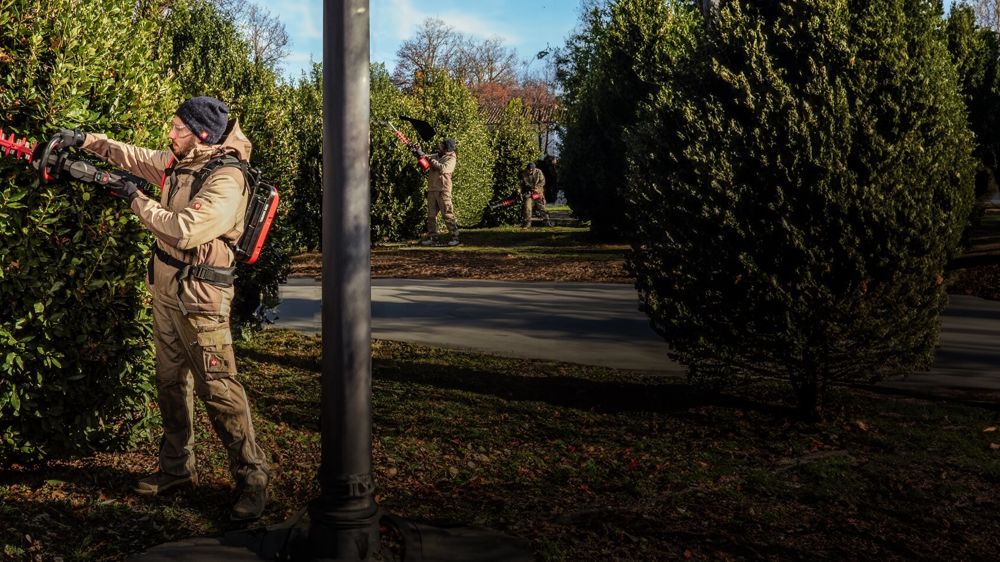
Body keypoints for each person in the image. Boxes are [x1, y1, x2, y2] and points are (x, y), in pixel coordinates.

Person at [60, 96, 271, 521]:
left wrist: (134, 197)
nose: (169, 135)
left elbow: (184, 231)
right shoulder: (182, 161)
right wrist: (86, 140)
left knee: (219, 388)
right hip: (167, 290)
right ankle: (177, 469)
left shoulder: (227, 178)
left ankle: (253, 479)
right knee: (171, 381)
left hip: (202, 300)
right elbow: (132, 155)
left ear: (202, 135)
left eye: (178, 128)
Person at [417, 138, 460, 246]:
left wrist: (431, 161)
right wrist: (418, 151)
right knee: (431, 216)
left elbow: (444, 169)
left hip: (443, 190)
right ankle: (433, 238)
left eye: (441, 145)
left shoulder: (451, 159)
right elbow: (425, 157)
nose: (439, 147)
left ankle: (455, 238)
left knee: (448, 215)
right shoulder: (436, 155)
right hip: (432, 189)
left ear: (446, 148)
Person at [520, 161, 551, 228]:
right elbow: (521, 184)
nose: (530, 171)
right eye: (529, 170)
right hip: (529, 193)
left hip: (538, 192)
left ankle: (547, 221)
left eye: (532, 170)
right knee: (527, 207)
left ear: (534, 169)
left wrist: (536, 188)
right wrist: (519, 191)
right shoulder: (524, 173)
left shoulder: (539, 172)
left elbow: (543, 181)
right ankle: (527, 223)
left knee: (542, 207)